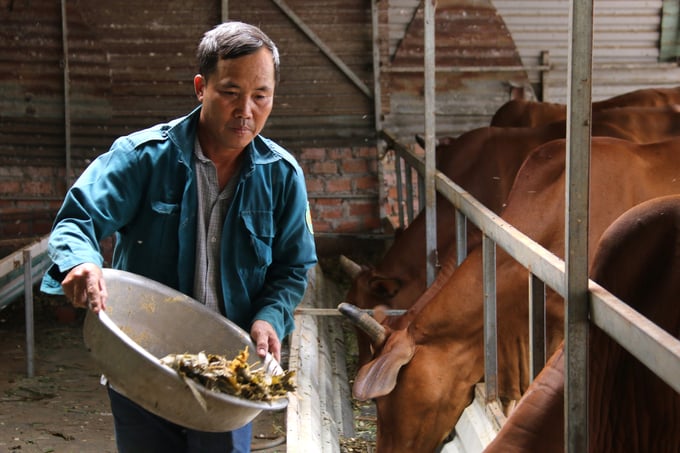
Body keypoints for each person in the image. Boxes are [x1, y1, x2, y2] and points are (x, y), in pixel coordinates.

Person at [40, 21, 317, 453]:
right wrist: (80, 261)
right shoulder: (142, 157)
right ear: (200, 87)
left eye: (261, 96)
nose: (246, 110)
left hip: (225, 370)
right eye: (230, 92)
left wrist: (269, 316)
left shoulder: (282, 176)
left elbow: (293, 265)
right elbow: (78, 220)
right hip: (142, 361)